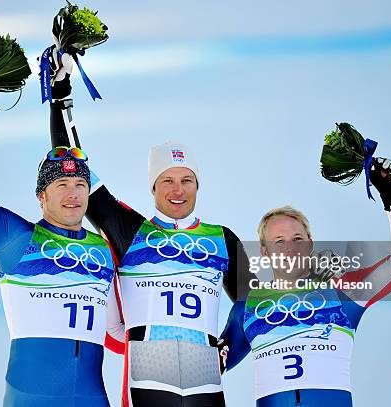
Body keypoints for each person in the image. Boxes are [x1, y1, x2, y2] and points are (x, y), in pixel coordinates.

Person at [43, 49, 251, 407]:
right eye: (167, 180)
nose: (177, 189)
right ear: (153, 187)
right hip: (147, 369)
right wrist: (61, 96)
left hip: (204, 374)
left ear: (198, 185)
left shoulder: (222, 239)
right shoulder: (132, 232)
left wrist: (227, 349)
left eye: (187, 180)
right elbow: (74, 165)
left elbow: (255, 301)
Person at [0, 73, 117, 407]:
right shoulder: (17, 238)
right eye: (61, 185)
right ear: (41, 197)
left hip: (93, 399)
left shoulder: (104, 251)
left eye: (79, 185)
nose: (73, 194)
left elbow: (121, 329)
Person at [220, 158, 391, 406]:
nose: (290, 249)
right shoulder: (247, 308)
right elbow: (208, 368)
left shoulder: (342, 292)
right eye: (279, 242)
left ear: (310, 243)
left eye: (297, 239)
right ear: (265, 252)